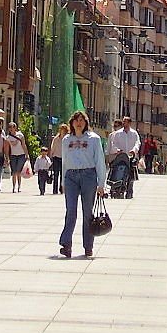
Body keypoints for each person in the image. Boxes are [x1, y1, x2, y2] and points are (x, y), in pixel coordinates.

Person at [58, 110, 107, 258]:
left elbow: (99, 160)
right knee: (70, 211)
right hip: (71, 176)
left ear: (86, 123)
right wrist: (63, 182)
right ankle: (66, 244)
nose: (79, 123)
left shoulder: (94, 139)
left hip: (88, 176)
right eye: (76, 120)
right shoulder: (66, 140)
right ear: (72, 123)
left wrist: (101, 184)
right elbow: (64, 161)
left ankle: (88, 246)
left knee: (87, 213)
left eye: (82, 120)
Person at [5, 121, 28, 193]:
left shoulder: (20, 135)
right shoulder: (8, 138)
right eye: (10, 128)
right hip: (13, 155)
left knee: (18, 171)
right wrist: (7, 158)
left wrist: (27, 154)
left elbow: (24, 145)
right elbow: (7, 148)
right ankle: (14, 187)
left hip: (21, 155)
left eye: (13, 127)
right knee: (14, 172)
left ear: (15, 128)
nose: (11, 129)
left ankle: (19, 186)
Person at [49, 123, 68, 195]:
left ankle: (61, 188)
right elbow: (53, 147)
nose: (62, 131)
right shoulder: (56, 138)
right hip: (56, 157)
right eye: (61, 130)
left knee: (63, 174)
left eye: (64, 130)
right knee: (56, 174)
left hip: (64, 158)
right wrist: (51, 155)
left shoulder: (67, 139)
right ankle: (55, 190)